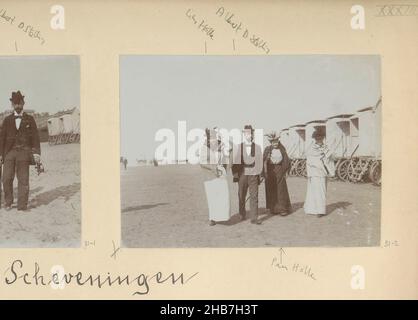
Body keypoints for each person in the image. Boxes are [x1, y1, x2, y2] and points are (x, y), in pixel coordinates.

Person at [0, 91, 41, 211]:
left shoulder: (30, 119)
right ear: (12, 105)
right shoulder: (7, 120)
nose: (17, 106)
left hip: (24, 152)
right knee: (6, 178)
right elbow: (2, 138)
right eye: (15, 103)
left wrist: (37, 153)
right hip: (9, 152)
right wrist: (1, 154)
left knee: (23, 179)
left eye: (20, 103)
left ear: (23, 103)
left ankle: (22, 205)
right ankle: (8, 202)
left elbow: (35, 137)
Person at [231, 125, 263, 225]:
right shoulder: (239, 147)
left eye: (250, 133)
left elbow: (260, 162)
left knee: (254, 195)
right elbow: (235, 162)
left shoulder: (257, 147)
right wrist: (236, 175)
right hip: (243, 173)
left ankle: (254, 218)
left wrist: (260, 175)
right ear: (244, 134)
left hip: (253, 173)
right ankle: (242, 214)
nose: (248, 135)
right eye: (246, 133)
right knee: (241, 194)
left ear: (252, 134)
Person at [200, 128, 229, 226]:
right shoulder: (204, 148)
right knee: (212, 197)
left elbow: (225, 160)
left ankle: (221, 216)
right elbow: (202, 163)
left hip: (221, 174)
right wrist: (212, 169)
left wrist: (223, 170)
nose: (214, 140)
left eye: (215, 138)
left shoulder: (221, 148)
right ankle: (212, 218)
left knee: (222, 196)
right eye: (212, 138)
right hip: (210, 175)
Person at [303, 128, 334, 217]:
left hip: (322, 172)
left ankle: (320, 210)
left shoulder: (326, 147)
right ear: (315, 139)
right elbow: (309, 160)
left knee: (322, 191)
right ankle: (314, 209)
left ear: (323, 138)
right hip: (314, 172)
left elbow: (330, 158)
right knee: (314, 191)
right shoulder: (311, 148)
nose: (319, 140)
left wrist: (327, 157)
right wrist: (318, 162)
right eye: (317, 139)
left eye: (321, 138)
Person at [263, 133, 292, 215]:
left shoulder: (282, 149)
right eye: (273, 142)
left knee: (281, 189)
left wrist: (284, 170)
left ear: (278, 141)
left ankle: (283, 209)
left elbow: (286, 160)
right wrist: (267, 159)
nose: (275, 144)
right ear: (270, 142)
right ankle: (273, 208)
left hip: (279, 170)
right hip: (270, 170)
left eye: (276, 142)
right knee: (271, 189)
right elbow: (263, 160)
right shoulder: (267, 149)